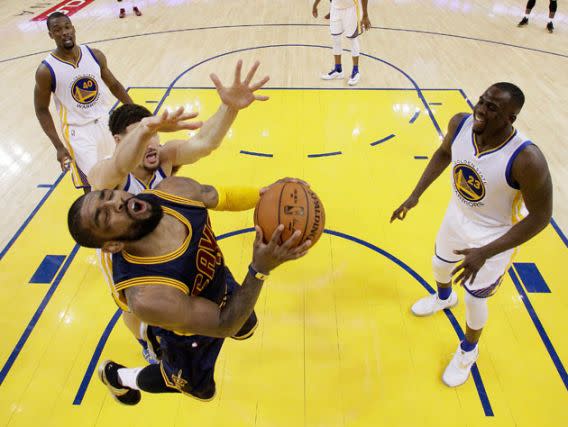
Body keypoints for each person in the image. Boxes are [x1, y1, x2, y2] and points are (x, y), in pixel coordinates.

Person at [67, 177, 312, 403]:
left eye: (110, 195)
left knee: (246, 326)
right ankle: (119, 377)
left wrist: (271, 195)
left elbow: (219, 196)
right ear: (113, 244)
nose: (117, 203)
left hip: (218, 281)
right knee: (198, 389)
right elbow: (224, 324)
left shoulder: (173, 191)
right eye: (105, 216)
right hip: (188, 338)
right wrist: (260, 269)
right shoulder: (147, 295)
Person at [90, 60, 269, 363]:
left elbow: (203, 142)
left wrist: (230, 109)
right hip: (124, 255)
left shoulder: (163, 158)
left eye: (155, 134)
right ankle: (144, 342)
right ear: (120, 141)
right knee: (131, 309)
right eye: (143, 135)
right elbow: (119, 164)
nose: (152, 143)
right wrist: (146, 130)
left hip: (162, 241)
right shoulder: (108, 175)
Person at [390, 82, 552, 387]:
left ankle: (468, 350)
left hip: (493, 236)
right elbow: (442, 154)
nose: (481, 109)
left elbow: (542, 217)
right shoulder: (460, 124)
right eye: (482, 100)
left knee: (475, 300)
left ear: (511, 118)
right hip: (457, 216)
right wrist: (415, 196)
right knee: (439, 267)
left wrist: (485, 251)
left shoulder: (527, 159)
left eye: (492, 107)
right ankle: (443, 298)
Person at [34, 12, 133, 191]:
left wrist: (137, 115)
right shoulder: (46, 70)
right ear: (50, 35)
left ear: (73, 28)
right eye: (57, 30)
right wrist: (58, 146)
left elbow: (115, 85)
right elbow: (41, 109)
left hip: (106, 123)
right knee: (94, 185)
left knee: (121, 175)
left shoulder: (94, 55)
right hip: (78, 133)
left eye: (67, 27)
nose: (64, 32)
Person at [312, 0, 371, 86]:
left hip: (351, 9)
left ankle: (356, 71)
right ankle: (338, 69)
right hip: (335, 9)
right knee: (335, 39)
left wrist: (365, 15)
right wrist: (315, 6)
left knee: (352, 39)